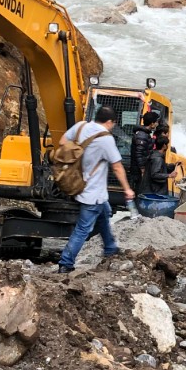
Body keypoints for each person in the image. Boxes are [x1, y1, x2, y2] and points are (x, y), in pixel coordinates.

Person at [57, 106, 133, 273]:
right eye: (113, 124)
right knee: (83, 228)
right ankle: (65, 262)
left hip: (78, 183)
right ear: (109, 122)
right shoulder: (105, 138)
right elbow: (117, 167)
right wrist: (127, 189)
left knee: (105, 213)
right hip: (92, 193)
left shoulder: (81, 126)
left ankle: (110, 247)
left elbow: (62, 142)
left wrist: (79, 156)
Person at [128, 108, 161, 190]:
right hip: (138, 171)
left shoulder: (145, 134)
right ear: (152, 124)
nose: (157, 124)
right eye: (156, 122)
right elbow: (138, 154)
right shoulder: (142, 135)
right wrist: (142, 169)